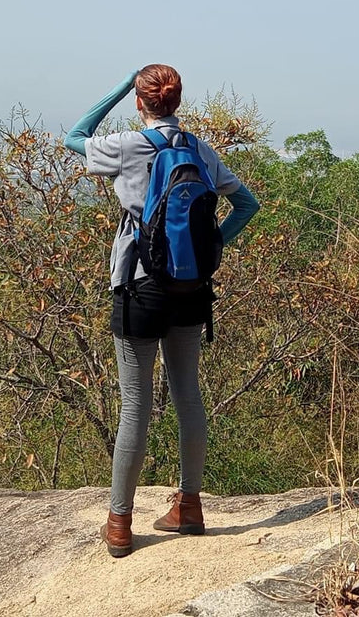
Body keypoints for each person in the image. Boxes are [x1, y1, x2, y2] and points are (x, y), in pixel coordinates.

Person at [64, 64, 260, 558]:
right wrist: (213, 245)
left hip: (140, 287)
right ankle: (189, 506)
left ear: (142, 101)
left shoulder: (130, 146)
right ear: (176, 100)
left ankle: (119, 522)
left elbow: (74, 135)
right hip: (192, 287)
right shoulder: (199, 149)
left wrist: (119, 84)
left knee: (136, 404)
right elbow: (247, 205)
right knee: (188, 395)